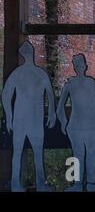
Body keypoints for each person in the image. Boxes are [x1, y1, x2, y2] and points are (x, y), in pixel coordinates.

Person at [2, 41, 56, 192]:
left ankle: (21, 184)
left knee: (24, 152)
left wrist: (9, 116)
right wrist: (9, 116)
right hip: (31, 119)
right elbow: (51, 96)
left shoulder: (20, 73)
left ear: (23, 54)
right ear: (31, 53)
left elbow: (6, 95)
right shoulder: (39, 73)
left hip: (24, 119)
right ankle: (23, 184)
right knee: (33, 152)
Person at [57, 54, 95, 192]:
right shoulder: (70, 84)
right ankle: (77, 184)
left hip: (92, 127)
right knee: (77, 156)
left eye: (81, 65)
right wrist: (63, 123)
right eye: (77, 65)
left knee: (91, 155)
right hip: (75, 128)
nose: (80, 67)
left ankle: (91, 183)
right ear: (75, 67)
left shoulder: (91, 83)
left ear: (85, 66)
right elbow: (60, 106)